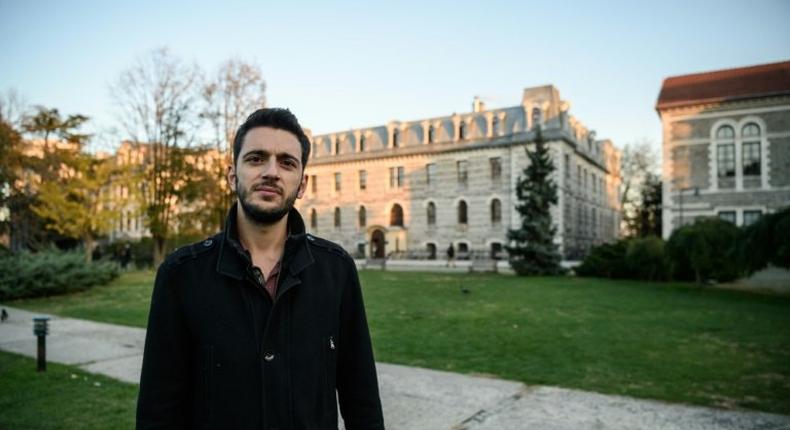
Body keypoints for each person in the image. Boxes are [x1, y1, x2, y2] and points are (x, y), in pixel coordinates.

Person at [137, 108, 385, 430]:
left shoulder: (336, 271)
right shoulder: (182, 275)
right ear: (232, 175)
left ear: (302, 184)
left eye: (287, 162)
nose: (272, 172)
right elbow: (159, 411)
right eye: (256, 158)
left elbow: (360, 396)